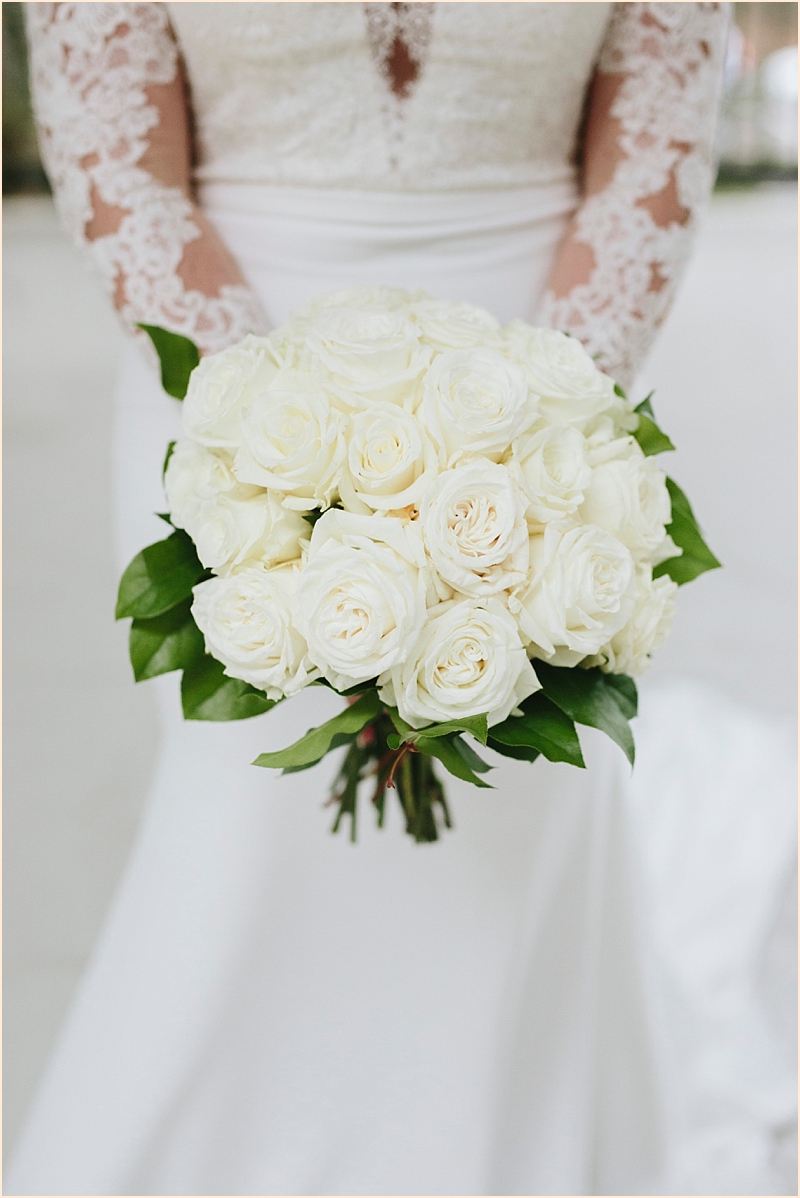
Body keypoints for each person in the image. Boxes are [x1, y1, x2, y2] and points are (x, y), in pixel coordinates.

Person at [8, 3, 795, 1194]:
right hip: (219, 389)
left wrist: (520, 462)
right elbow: (120, 166)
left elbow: (646, 163)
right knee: (239, 838)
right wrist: (295, 466)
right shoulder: (236, 415)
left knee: (514, 832)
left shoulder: (545, 424)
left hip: (548, 378)